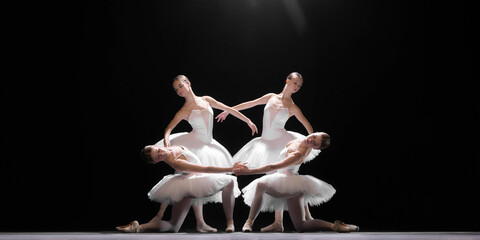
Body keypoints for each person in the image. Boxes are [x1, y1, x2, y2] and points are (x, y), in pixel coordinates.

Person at [216, 72, 319, 232]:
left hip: (282, 142)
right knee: (272, 179)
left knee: (282, 178)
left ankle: (289, 219)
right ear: (287, 80)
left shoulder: (292, 106)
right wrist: (229, 111)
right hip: (265, 143)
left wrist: (311, 143)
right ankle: (278, 222)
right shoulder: (271, 97)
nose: (297, 87)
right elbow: (250, 103)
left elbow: (308, 126)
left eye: (300, 85)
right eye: (295, 83)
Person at [155, 75, 258, 232]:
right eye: (176, 90)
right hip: (194, 143)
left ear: (188, 83)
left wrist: (247, 120)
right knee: (191, 180)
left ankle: (224, 222)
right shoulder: (184, 110)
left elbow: (228, 108)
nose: (179, 91)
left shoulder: (206, 100)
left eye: (180, 86)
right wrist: (166, 139)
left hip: (209, 144)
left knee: (210, 180)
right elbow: (169, 128)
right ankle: (170, 216)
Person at [233, 132, 359, 233]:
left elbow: (272, 167)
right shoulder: (301, 138)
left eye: (314, 143)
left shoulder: (298, 155)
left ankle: (249, 222)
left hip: (289, 182)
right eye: (313, 136)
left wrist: (248, 172)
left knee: (261, 186)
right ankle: (336, 226)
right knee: (302, 224)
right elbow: (308, 133)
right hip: (287, 179)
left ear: (315, 148)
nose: (311, 140)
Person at [116, 145, 245, 233]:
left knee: (174, 226)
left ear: (157, 146)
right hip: (194, 181)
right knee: (229, 181)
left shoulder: (167, 145)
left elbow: (166, 138)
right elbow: (204, 169)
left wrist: (167, 135)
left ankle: (139, 227)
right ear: (156, 162)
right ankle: (230, 222)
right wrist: (231, 169)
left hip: (184, 182)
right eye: (158, 157)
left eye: (159, 150)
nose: (162, 153)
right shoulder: (176, 162)